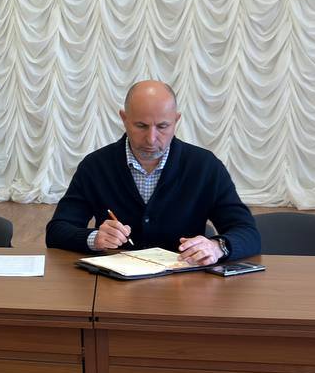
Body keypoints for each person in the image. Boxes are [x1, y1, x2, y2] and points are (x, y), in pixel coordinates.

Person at [45, 80, 258, 265]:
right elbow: (57, 230)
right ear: (124, 118)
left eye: (163, 126)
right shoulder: (95, 166)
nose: (151, 139)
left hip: (184, 285)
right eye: (141, 126)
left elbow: (247, 232)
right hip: (114, 285)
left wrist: (217, 247)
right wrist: (94, 238)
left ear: (176, 120)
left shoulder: (205, 166)